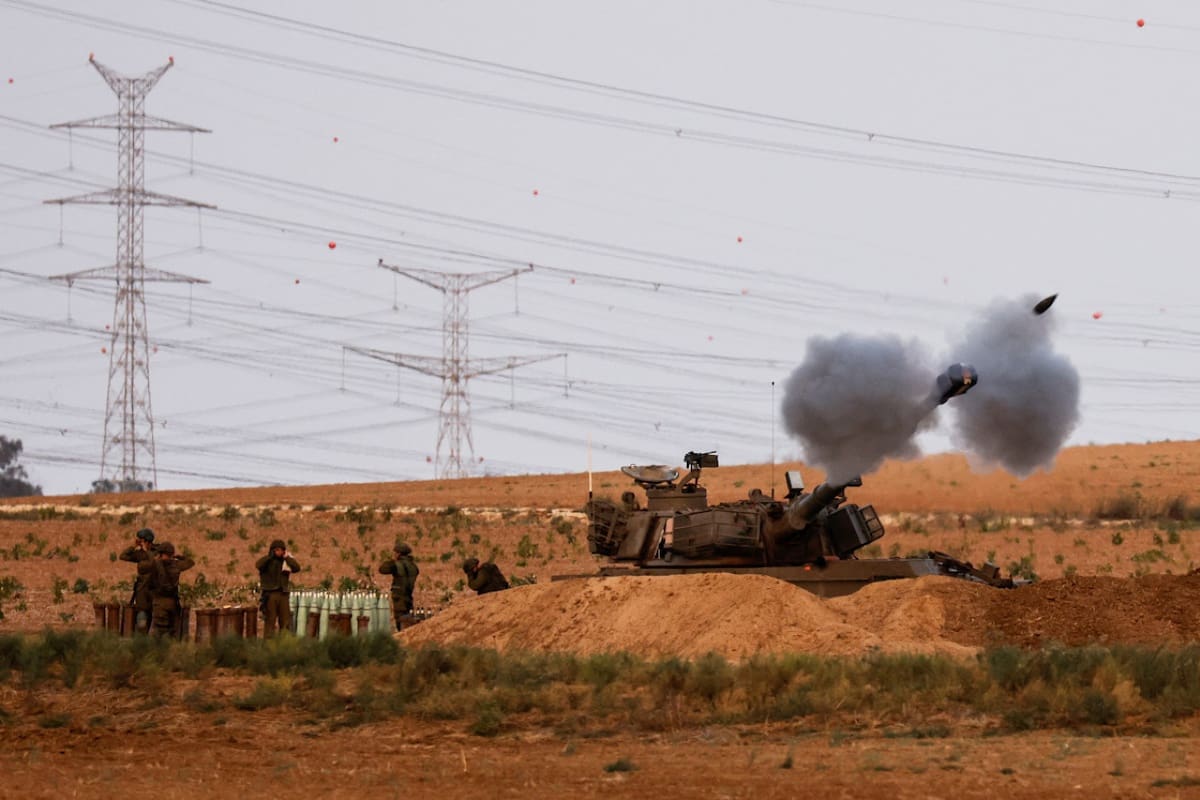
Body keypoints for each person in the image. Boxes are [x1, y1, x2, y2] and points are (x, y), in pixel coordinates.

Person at [138, 541, 194, 638]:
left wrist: (153, 559)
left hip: (159, 602)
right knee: (173, 632)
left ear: (161, 554)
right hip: (173, 602)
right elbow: (190, 562)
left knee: (158, 632)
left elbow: (141, 568)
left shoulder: (155, 564)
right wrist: (179, 557)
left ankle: (157, 651)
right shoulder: (176, 564)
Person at [256, 539, 301, 637]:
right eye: (277, 550)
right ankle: (268, 645)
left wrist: (287, 558)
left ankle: (283, 643)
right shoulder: (267, 561)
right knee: (270, 621)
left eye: (281, 550)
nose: (279, 552)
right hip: (270, 594)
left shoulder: (286, 562)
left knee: (285, 621)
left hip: (283, 594)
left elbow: (297, 568)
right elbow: (258, 565)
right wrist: (270, 557)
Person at [118, 527, 156, 634]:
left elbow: (154, 562)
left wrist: (147, 550)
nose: (141, 543)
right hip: (142, 592)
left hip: (155, 592)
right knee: (141, 620)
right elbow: (123, 556)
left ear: (148, 541)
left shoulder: (156, 552)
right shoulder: (140, 554)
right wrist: (134, 546)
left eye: (142, 540)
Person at [378, 541, 420, 631]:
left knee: (400, 620)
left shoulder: (396, 565)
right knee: (408, 619)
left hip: (399, 598)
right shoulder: (413, 566)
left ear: (398, 553)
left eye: (395, 552)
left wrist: (393, 561)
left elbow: (382, 569)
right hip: (409, 596)